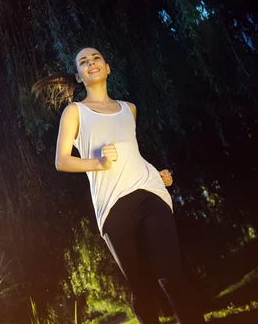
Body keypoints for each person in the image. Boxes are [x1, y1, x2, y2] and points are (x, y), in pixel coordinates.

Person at [34, 47, 205, 324]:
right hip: (112, 206)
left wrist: (156, 173)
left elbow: (130, 152)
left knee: (172, 276)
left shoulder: (129, 109)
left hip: (149, 191)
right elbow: (62, 161)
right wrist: (99, 164)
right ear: (78, 76)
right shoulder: (75, 112)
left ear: (108, 67)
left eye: (96, 58)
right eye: (83, 62)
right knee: (141, 287)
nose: (91, 63)